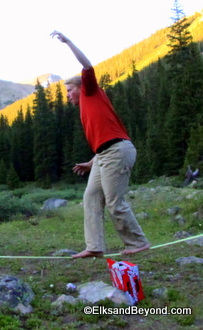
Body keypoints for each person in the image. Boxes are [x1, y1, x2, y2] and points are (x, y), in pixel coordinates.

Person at [51, 30, 150, 259]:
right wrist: (92, 160)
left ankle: (138, 242)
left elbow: (87, 66)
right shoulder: (87, 108)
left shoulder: (90, 91)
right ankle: (94, 246)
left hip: (118, 151)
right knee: (91, 196)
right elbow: (104, 141)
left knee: (114, 202)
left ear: (79, 87)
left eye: (69, 90)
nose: (67, 95)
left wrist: (68, 42)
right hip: (104, 154)